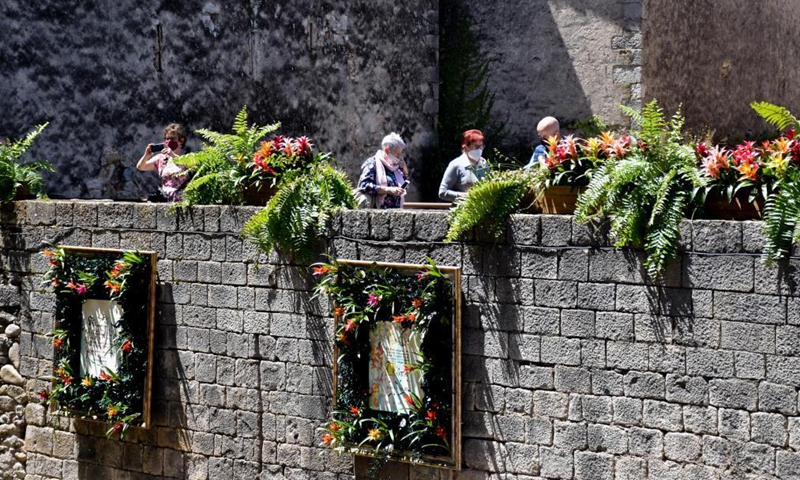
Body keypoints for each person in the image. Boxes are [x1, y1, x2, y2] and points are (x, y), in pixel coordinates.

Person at [137, 123, 191, 202]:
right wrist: (146, 155)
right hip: (165, 200)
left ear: (181, 141)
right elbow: (140, 167)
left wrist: (172, 154)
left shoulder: (188, 158)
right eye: (166, 138)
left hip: (182, 202)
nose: (168, 141)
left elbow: (191, 165)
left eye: (172, 139)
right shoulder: (161, 158)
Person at [356, 132, 409, 209]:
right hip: (378, 212)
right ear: (387, 150)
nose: (400, 157)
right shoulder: (372, 163)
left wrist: (405, 170)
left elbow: (405, 188)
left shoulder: (396, 167)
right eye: (397, 154)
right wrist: (388, 190)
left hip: (396, 213)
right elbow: (364, 186)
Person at [438, 129, 490, 202]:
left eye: (481, 146)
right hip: (463, 210)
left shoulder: (484, 164)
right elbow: (442, 192)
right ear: (466, 147)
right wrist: (464, 195)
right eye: (476, 147)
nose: (479, 150)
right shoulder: (456, 165)